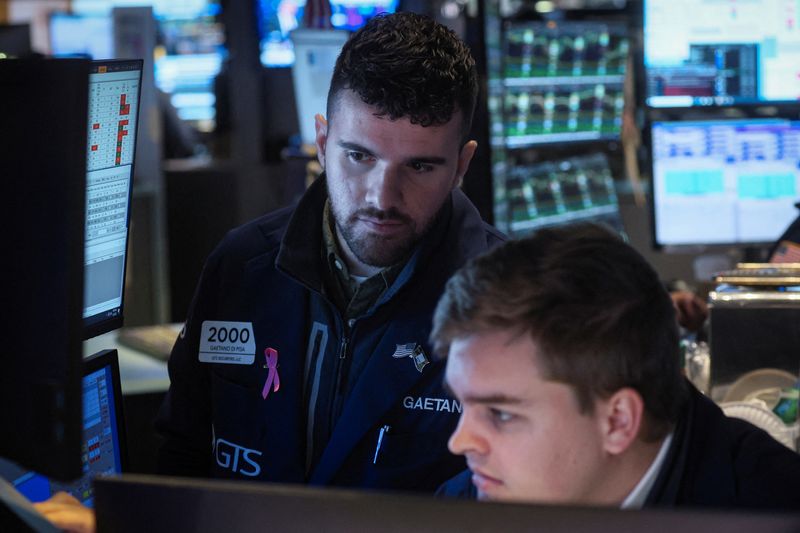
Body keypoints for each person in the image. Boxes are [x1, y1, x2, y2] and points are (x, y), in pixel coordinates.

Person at [154, 11, 503, 491]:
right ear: (322, 142)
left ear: (461, 164)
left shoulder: (510, 303)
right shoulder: (239, 267)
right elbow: (180, 460)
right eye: (359, 156)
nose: (382, 197)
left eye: (420, 166)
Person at [432, 223, 800, 510]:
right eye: (465, 405)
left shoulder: (771, 511)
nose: (459, 442)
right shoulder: (465, 505)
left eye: (499, 413)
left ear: (618, 421)